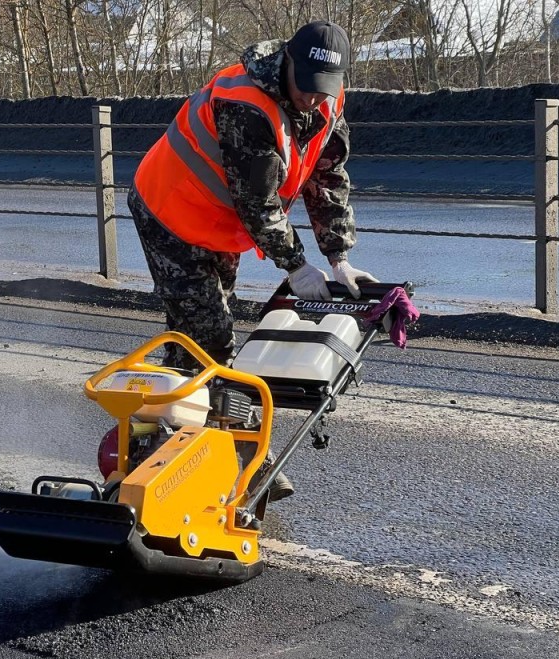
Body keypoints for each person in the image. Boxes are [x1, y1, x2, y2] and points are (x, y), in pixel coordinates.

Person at [128, 21, 378, 501]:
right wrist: (297, 267)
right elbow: (257, 203)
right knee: (214, 338)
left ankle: (164, 448)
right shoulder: (244, 104)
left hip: (218, 224)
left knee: (193, 340)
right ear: (288, 62)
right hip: (170, 211)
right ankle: (244, 464)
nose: (312, 99)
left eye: (323, 90)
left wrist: (339, 256)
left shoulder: (328, 100)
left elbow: (327, 178)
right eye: (305, 87)